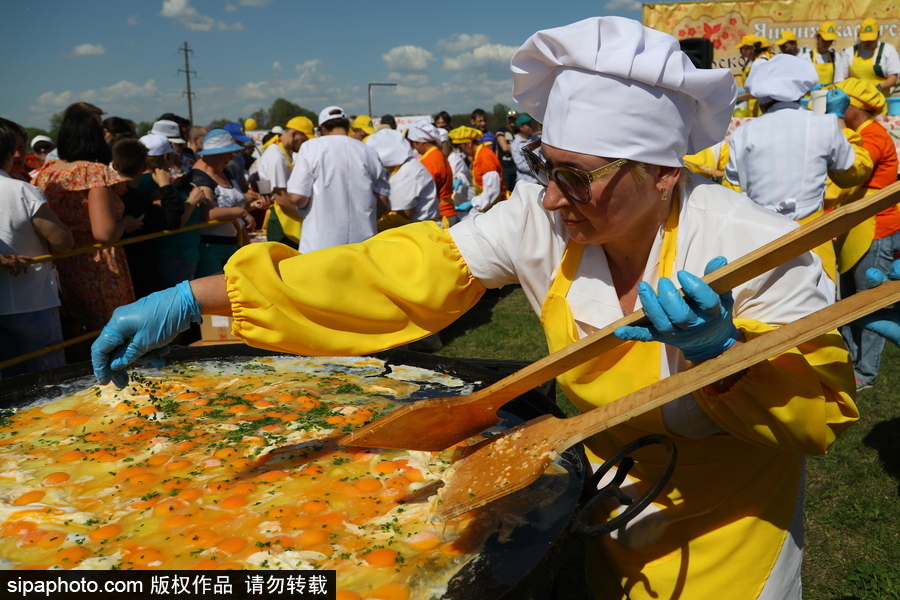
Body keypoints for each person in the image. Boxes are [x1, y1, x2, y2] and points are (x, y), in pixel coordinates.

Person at [93, 16, 858, 599]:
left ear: (660, 173)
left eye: (579, 178)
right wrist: (193, 298)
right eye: (543, 167)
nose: (554, 197)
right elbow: (400, 269)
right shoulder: (541, 217)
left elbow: (817, 420)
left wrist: (723, 358)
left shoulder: (753, 243)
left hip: (727, 538)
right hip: (600, 508)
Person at [724, 54, 873, 282]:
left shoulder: (743, 132)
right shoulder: (823, 124)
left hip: (759, 239)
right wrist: (839, 121)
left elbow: (732, 190)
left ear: (762, 99)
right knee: (819, 310)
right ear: (801, 93)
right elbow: (854, 172)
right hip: (813, 238)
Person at [32, 103, 143, 341]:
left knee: (79, 336)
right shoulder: (93, 172)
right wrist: (125, 223)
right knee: (114, 334)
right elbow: (104, 233)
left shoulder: (48, 171)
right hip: (98, 266)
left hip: (63, 264)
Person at [827, 78, 899, 391]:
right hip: (856, 229)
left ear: (859, 107)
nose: (842, 107)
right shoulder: (860, 133)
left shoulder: (873, 135)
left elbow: (850, 175)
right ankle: (852, 363)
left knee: (872, 305)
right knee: (852, 303)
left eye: (845, 102)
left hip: (876, 230)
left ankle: (865, 373)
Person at [0, 118, 74, 378]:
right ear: (8, 152)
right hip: (33, 301)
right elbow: (63, 241)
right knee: (49, 381)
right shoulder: (22, 190)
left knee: (9, 386)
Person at [285, 106, 390, 254]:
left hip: (320, 244)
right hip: (362, 244)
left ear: (321, 128)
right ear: (348, 126)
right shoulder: (369, 151)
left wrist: (306, 208)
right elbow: (382, 202)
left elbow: (297, 196)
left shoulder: (311, 147)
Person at [188, 129, 264, 277]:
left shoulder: (224, 172)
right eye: (227, 153)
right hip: (212, 249)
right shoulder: (200, 178)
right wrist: (242, 212)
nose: (230, 158)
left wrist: (252, 206)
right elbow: (208, 214)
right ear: (213, 154)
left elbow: (231, 206)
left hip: (234, 244)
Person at [256, 116, 316, 247]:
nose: (305, 144)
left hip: (286, 219)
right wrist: (310, 216)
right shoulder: (276, 157)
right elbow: (281, 199)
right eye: (304, 140)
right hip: (282, 224)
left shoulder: (281, 152)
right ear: (294, 134)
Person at [366, 128, 440, 229]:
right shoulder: (400, 168)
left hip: (423, 231)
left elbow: (401, 217)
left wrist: (370, 227)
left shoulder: (409, 172)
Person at [407, 118, 457, 226]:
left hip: (440, 215)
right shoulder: (437, 155)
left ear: (420, 142)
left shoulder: (430, 160)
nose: (414, 147)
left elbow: (422, 191)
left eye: (414, 144)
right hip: (446, 212)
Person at [448, 125, 505, 216]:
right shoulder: (477, 155)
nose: (462, 152)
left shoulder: (485, 157)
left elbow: (492, 192)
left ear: (469, 144)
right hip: (489, 206)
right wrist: (461, 180)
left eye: (461, 148)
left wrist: (473, 203)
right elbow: (476, 177)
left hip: (496, 207)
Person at [837, 18, 900, 95]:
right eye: (865, 39)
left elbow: (893, 77)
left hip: (880, 97)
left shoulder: (888, 50)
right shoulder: (849, 52)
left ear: (878, 35)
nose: (868, 42)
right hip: (855, 98)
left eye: (871, 39)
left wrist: (878, 88)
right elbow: (842, 78)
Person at [735, 35, 773, 117]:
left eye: (742, 48)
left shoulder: (760, 62)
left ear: (751, 49)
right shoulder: (751, 62)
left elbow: (756, 91)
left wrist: (735, 98)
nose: (740, 51)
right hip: (753, 105)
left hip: (760, 107)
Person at [813, 21, 849, 86]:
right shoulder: (807, 57)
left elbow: (839, 80)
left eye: (830, 41)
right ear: (818, 38)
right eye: (824, 40)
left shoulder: (835, 57)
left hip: (829, 94)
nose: (827, 43)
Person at [510, 114, 539, 185]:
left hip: (540, 181)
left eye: (530, 124)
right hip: (525, 183)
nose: (531, 126)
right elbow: (520, 165)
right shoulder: (515, 144)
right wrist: (537, 169)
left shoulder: (537, 140)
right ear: (521, 127)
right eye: (528, 125)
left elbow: (543, 156)